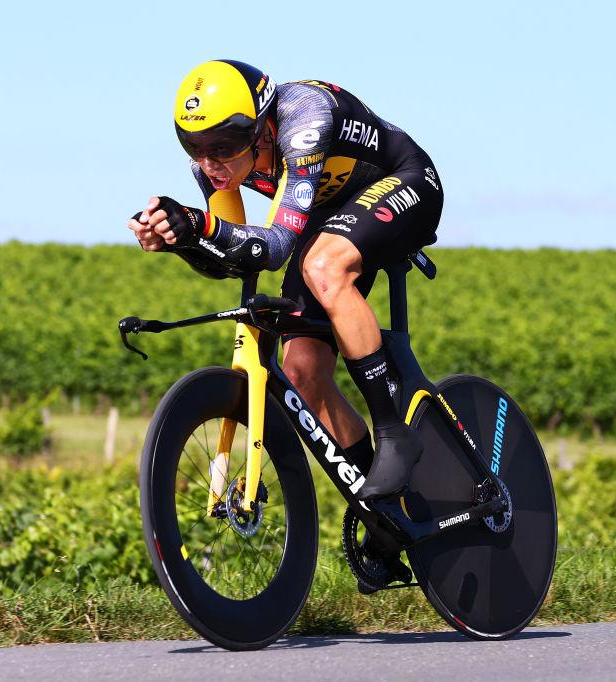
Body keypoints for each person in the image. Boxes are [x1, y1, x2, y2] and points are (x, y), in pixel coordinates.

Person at [127, 59, 443, 501]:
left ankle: (394, 431)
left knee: (324, 268)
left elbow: (274, 248)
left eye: (221, 145)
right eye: (193, 147)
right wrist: (183, 239)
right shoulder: (210, 167)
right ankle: (387, 511)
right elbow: (234, 261)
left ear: (258, 129)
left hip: (404, 180)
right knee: (302, 372)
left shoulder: (303, 117)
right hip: (330, 211)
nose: (208, 161)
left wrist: (199, 225)